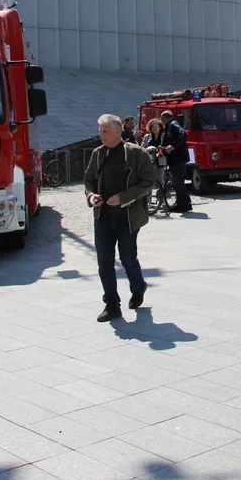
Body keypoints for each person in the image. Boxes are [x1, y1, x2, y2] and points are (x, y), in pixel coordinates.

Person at [84, 114, 154, 322]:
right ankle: (112, 305)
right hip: (103, 216)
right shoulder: (97, 154)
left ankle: (138, 286)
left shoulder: (136, 153)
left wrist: (124, 197)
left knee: (127, 259)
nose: (101, 135)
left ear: (117, 131)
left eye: (105, 131)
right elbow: (88, 180)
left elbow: (148, 181)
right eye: (100, 131)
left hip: (127, 217)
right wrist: (91, 196)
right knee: (104, 262)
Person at [160, 110, 191, 212]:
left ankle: (184, 206)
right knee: (177, 182)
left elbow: (183, 135)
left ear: (164, 118)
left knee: (178, 182)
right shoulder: (170, 126)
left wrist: (173, 146)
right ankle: (182, 204)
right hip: (174, 159)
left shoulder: (173, 124)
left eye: (162, 119)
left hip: (178, 159)